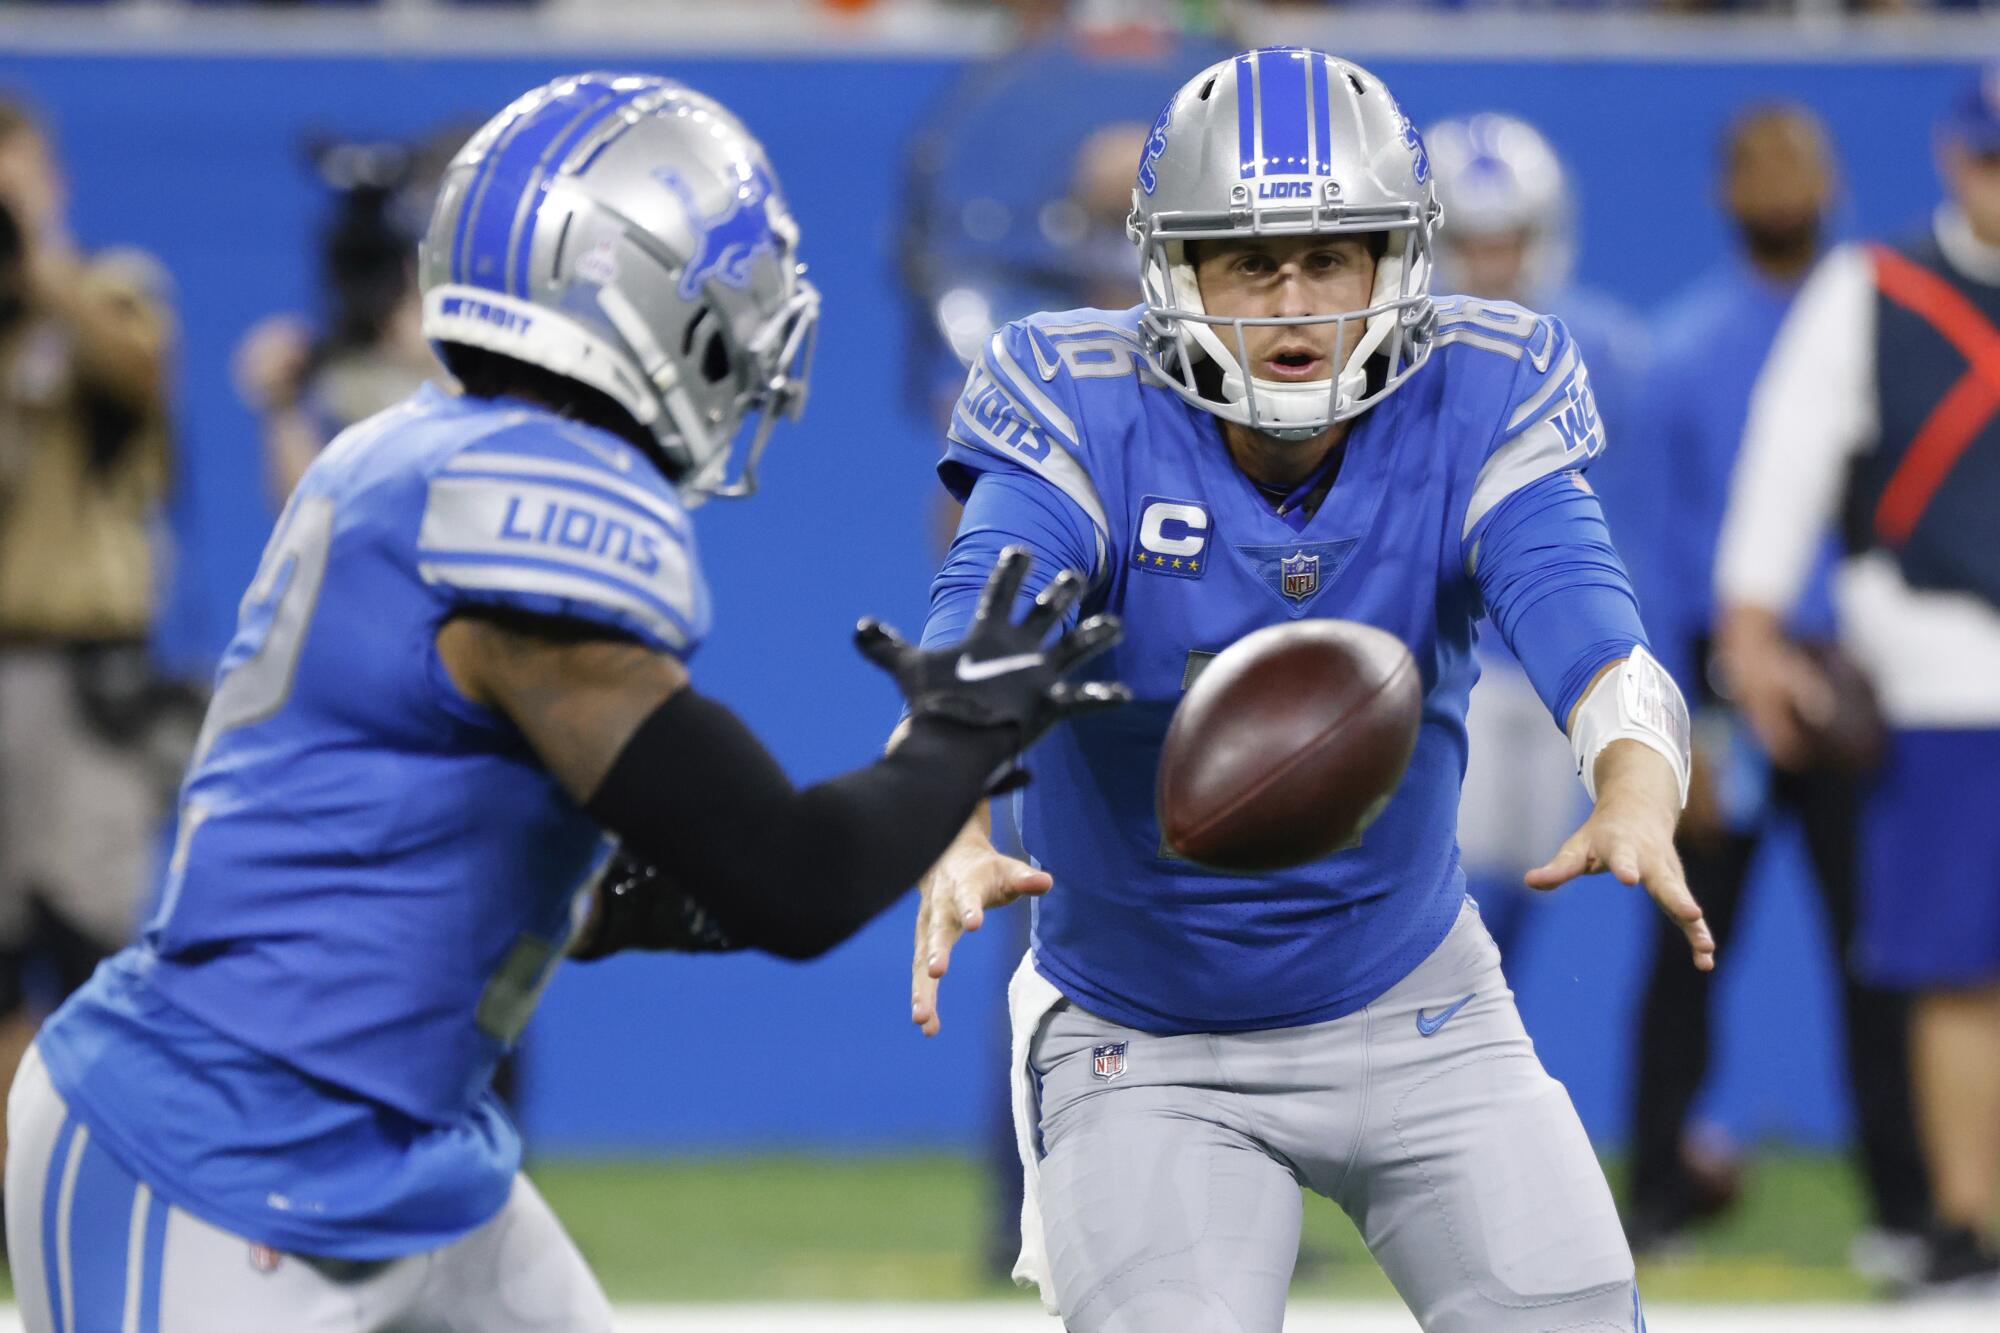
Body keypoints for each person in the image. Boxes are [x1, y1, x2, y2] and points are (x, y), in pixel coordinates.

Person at [2, 72, 1123, 1328]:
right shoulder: (534, 501)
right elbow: (792, 878)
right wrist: (968, 727)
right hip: (220, 1156)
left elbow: (382, 810)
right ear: (658, 299)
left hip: (406, 1147)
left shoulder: (414, 450)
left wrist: (587, 900)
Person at [907, 46, 1712, 1332]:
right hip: (1146, 1039)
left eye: (1330, 257)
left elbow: (1589, 625)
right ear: (1173, 271)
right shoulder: (1076, 396)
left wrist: (1631, 783)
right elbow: (978, 634)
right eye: (1247, 261)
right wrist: (943, 811)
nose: (1294, 301)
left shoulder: (1479, 383)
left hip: (1416, 999)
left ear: (1395, 262)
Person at [1626, 103, 1933, 1276]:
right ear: (1722, 191)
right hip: (1721, 682)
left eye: (1797, 161)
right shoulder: (1683, 350)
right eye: (1756, 164)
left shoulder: (1879, 337)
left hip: (1864, 676)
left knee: (1884, 947)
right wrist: (1674, 725)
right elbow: (1655, 547)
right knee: (1688, 943)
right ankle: (1653, 1195)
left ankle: (1910, 1208)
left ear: (1834, 180)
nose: (1778, 183)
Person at [1715, 66, 2000, 1295]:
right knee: (1950, 963)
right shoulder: (1874, 284)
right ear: (1952, 157)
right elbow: (1787, 450)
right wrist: (1751, 624)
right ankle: (1965, 1217)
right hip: (1940, 665)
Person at [0, 95, 180, 1198]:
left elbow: (136, 374)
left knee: (91, 946)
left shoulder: (110, 288)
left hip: (83, 673)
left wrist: (39, 260)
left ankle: (98, 1183)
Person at [1423, 112, 1653, 968]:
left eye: (1509, 239)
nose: (1493, 264)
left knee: (1524, 884)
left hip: (1559, 656)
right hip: (1455, 659)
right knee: (1455, 890)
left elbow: (1628, 519)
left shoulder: (1603, 349)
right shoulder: (1406, 354)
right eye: (1475, 242)